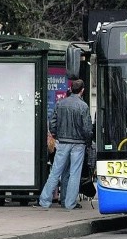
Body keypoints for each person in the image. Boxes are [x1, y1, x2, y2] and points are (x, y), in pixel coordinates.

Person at [36, 80, 93, 210]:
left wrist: (57, 135)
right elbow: (87, 128)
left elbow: (53, 123)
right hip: (78, 144)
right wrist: (88, 142)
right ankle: (69, 203)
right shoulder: (83, 106)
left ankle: (44, 200)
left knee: (55, 172)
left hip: (62, 143)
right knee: (74, 173)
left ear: (71, 89)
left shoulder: (60, 103)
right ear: (82, 90)